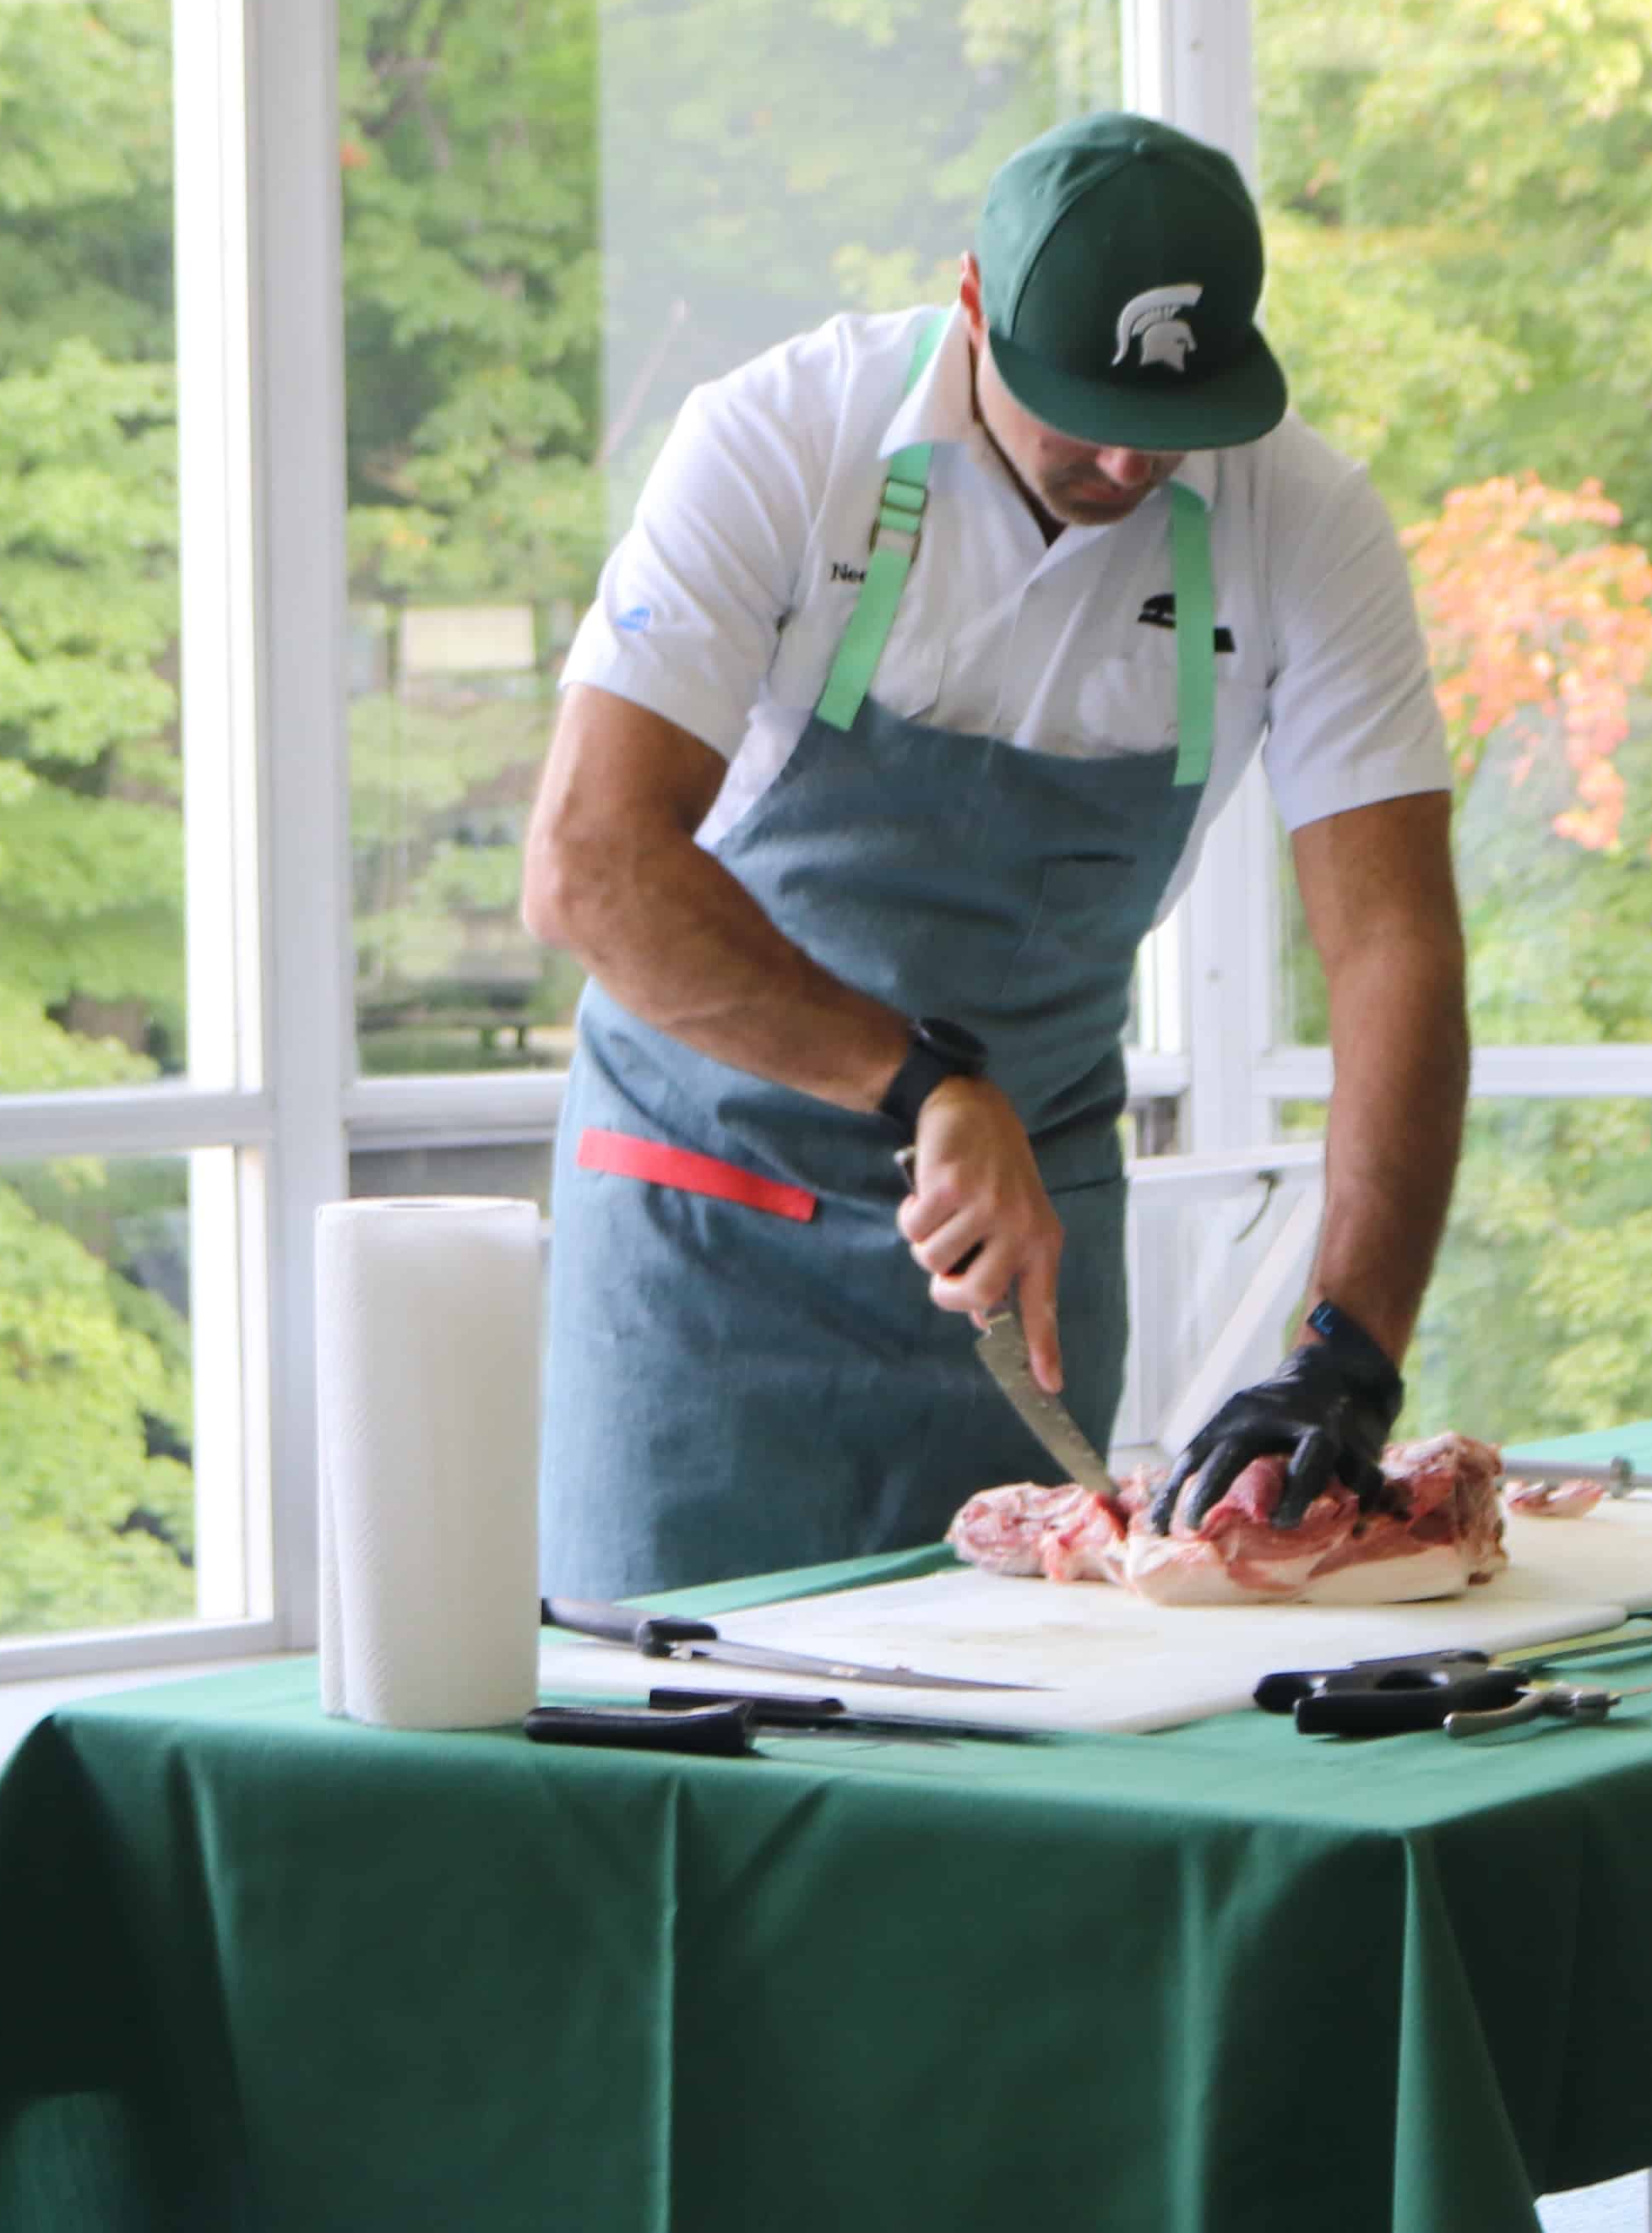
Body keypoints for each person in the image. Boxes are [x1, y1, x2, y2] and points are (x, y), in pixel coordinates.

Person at [518, 111, 1469, 1595]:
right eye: (1080, 405)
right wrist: (923, 1082)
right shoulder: (781, 439)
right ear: (972, 304)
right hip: (705, 1239)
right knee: (674, 1748)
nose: (1124, 457)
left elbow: (1393, 942)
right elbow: (589, 865)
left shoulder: (1309, 524)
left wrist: (1350, 1350)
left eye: (1171, 422)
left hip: (1020, 1262)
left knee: (1012, 1743)